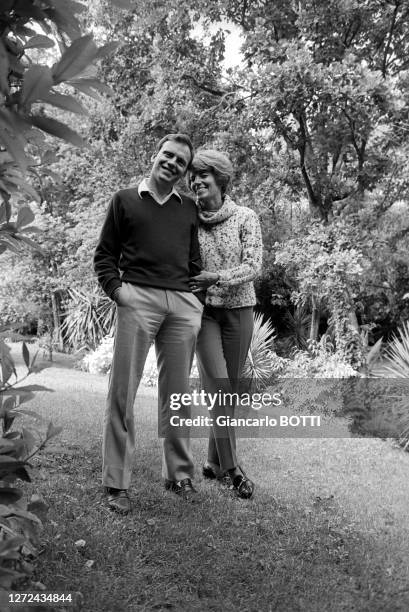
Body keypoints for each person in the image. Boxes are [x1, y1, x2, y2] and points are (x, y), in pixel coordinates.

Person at [94, 134, 204, 514]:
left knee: (177, 395)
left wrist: (195, 302)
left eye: (181, 162)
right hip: (137, 298)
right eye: (168, 156)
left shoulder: (188, 209)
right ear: (155, 155)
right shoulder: (124, 200)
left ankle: (178, 474)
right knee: (122, 392)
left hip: (182, 306)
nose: (172, 164)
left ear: (184, 172)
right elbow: (104, 255)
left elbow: (194, 262)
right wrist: (119, 293)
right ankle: (116, 483)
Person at [188, 149, 263, 499]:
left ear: (220, 178)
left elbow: (253, 266)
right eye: (193, 176)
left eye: (203, 175)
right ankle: (232, 470)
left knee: (227, 390)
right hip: (203, 315)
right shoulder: (188, 218)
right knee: (218, 386)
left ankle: (211, 462)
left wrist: (216, 277)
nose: (196, 181)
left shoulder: (245, 217)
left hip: (239, 312)